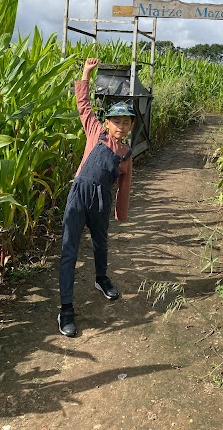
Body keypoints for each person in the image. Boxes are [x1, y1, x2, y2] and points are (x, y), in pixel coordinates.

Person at [58, 58, 135, 337]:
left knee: (101, 243)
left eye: (126, 123)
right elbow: (83, 104)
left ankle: (101, 278)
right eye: (117, 121)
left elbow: (124, 186)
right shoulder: (95, 131)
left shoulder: (126, 154)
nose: (121, 126)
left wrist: (120, 213)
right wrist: (86, 73)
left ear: (130, 127)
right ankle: (66, 308)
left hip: (101, 200)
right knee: (69, 250)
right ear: (107, 122)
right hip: (78, 195)